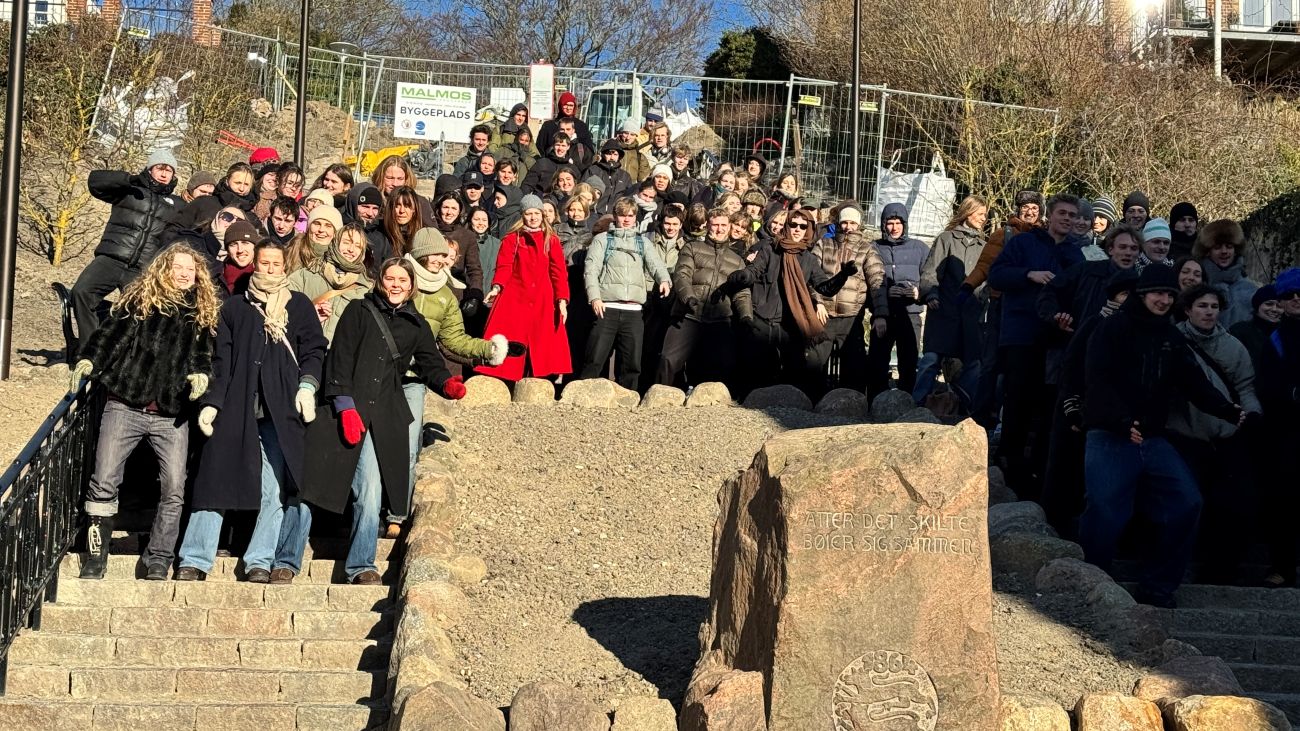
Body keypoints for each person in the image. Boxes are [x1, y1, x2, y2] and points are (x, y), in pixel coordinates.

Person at [1077, 265, 1245, 607]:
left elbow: (1194, 383)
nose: (1164, 300)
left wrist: (1230, 411)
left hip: (1152, 438)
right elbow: (1097, 380)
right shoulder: (1112, 328)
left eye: (1170, 295)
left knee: (1186, 502)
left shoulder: (1170, 336)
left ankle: (1158, 587)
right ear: (1142, 293)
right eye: (1158, 293)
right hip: (1110, 434)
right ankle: (1090, 583)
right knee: (1107, 510)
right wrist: (1121, 421)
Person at [298, 258, 467, 584]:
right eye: (390, 278)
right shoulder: (359, 311)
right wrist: (345, 406)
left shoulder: (416, 323)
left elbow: (431, 362)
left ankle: (360, 564)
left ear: (411, 285)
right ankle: (288, 557)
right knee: (313, 484)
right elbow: (340, 358)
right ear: (381, 281)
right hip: (343, 409)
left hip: (381, 415)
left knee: (371, 490)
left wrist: (447, 384)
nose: (395, 284)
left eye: (402, 279)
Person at [176, 242, 328, 584]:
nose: (271, 268)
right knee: (214, 479)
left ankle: (260, 558)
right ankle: (195, 557)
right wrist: (212, 402)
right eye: (265, 262)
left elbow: (314, 350)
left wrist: (307, 385)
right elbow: (222, 360)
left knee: (272, 488)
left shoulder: (299, 306)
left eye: (276, 263)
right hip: (237, 406)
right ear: (255, 266)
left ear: (283, 266)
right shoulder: (234, 308)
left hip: (281, 411)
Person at [67, 244, 218, 580]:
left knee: (174, 487)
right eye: (177, 267)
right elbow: (110, 337)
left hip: (171, 413)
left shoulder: (201, 313)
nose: (183, 274)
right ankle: (96, 556)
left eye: (189, 269)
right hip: (126, 404)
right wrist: (90, 360)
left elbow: (202, 355)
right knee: (104, 479)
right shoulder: (140, 302)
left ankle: (159, 557)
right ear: (164, 268)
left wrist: (201, 375)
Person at [988, 193, 1084, 499]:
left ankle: (1036, 470)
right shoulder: (1022, 243)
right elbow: (996, 275)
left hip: (1056, 337)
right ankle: (1007, 464)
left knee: (1047, 403)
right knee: (1017, 399)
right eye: (1063, 213)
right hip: (1021, 332)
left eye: (1073, 215)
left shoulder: (1076, 255)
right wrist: (1028, 274)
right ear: (1049, 215)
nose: (1068, 219)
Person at [1166, 284, 1261, 585]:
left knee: (1231, 504)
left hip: (1226, 435)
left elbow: (1246, 386)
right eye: (1202, 306)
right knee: (1186, 501)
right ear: (1188, 309)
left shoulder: (1232, 346)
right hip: (1183, 434)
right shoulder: (1172, 341)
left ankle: (1220, 569)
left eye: (1213, 307)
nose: (1208, 312)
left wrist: (1252, 416)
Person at [1043, 268, 1139, 538]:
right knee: (1068, 474)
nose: (1129, 299)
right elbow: (1072, 367)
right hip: (1080, 410)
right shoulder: (1095, 323)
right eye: (1124, 294)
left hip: (1116, 416)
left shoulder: (1138, 328)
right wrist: (1073, 408)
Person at [726, 207, 856, 393]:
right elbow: (753, 272)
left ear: (808, 230)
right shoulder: (770, 250)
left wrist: (843, 275)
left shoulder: (809, 259)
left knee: (793, 375)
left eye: (803, 226)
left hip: (790, 325)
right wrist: (741, 275)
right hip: (763, 319)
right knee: (755, 375)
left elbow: (825, 288)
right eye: (793, 224)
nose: (797, 229)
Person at [70, 149, 183, 354]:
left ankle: (122, 357)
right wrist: (129, 179)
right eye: (160, 168)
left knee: (142, 311)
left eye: (169, 170)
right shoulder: (129, 190)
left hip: (142, 269)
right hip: (111, 258)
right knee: (82, 292)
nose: (165, 174)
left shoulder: (176, 205)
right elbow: (95, 182)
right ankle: (89, 351)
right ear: (150, 169)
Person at [964, 189, 1043, 426]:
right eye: (1025, 207)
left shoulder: (1044, 237)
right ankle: (979, 416)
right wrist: (968, 286)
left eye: (1034, 208)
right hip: (1000, 303)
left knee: (1018, 367)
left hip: (1030, 308)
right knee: (990, 363)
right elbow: (985, 264)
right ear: (1018, 210)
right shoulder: (1003, 234)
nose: (1029, 212)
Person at [579, 198, 672, 389]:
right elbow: (591, 271)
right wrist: (595, 297)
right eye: (622, 215)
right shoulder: (602, 240)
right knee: (595, 358)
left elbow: (656, 265)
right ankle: (583, 396)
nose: (627, 219)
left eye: (630, 215)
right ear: (615, 216)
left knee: (631, 363)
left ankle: (627, 400)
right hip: (607, 307)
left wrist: (664, 279)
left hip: (634, 310)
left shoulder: (643, 242)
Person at [477, 195, 571, 382]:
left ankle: (538, 379)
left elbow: (558, 271)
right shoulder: (513, 238)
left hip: (542, 298)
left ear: (542, 215)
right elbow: (504, 265)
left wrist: (562, 299)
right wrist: (497, 287)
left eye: (537, 213)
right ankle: (505, 377)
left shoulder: (550, 240)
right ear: (523, 215)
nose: (533, 217)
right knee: (512, 336)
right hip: (515, 296)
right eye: (529, 213)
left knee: (541, 340)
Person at [656, 208, 753, 388]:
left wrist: (746, 315)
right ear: (708, 225)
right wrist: (688, 297)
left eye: (723, 225)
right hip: (688, 314)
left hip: (719, 319)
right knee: (668, 359)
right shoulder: (692, 247)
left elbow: (742, 292)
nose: (719, 229)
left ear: (729, 226)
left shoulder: (737, 260)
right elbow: (681, 275)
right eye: (715, 225)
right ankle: (661, 399)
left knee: (721, 367)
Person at [914, 196, 988, 407]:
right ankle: (917, 405)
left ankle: (967, 407)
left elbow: (985, 281)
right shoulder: (946, 239)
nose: (984, 218)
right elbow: (931, 272)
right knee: (931, 360)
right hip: (944, 310)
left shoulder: (984, 245)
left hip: (971, 313)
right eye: (981, 214)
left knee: (973, 363)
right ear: (968, 212)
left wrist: (982, 303)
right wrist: (930, 295)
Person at [808, 205, 887, 397]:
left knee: (854, 366)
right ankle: (811, 403)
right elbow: (810, 276)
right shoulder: (823, 245)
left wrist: (880, 313)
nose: (848, 226)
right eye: (844, 222)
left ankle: (852, 406)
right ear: (838, 223)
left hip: (851, 316)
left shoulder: (867, 250)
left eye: (852, 222)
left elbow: (877, 281)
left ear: (859, 225)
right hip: (823, 313)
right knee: (815, 363)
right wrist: (817, 301)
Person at [1255, 268, 1300, 587]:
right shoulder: (1273, 339)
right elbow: (1267, 385)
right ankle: (1282, 567)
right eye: (1288, 295)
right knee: (1283, 500)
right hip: (1285, 430)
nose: (1296, 300)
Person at [865, 203, 929, 400]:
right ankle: (875, 403)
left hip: (911, 313)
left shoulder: (919, 248)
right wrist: (880, 303)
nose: (894, 227)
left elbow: (929, 278)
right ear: (884, 225)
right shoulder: (874, 248)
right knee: (878, 361)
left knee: (908, 363)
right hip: (883, 314)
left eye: (898, 223)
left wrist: (919, 292)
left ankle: (907, 404)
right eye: (890, 223)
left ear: (905, 224)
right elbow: (867, 282)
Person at [288, 223, 372, 341]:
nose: (351, 249)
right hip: (305, 347)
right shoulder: (308, 274)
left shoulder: (365, 288)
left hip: (339, 355)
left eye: (358, 246)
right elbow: (285, 308)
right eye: (346, 242)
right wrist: (309, 314)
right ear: (335, 242)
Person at [641, 208, 687, 390]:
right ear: (661, 222)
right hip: (649, 298)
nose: (671, 228)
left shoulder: (686, 245)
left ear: (681, 225)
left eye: (675, 224)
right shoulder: (647, 240)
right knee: (647, 347)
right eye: (667, 223)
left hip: (673, 302)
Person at [1195, 219, 1260, 331]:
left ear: (1236, 250)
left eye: (1229, 246)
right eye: (1217, 247)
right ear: (1208, 251)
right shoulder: (1197, 286)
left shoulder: (1252, 289)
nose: (1224, 251)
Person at [1228, 284, 1282, 367]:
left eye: (1279, 306)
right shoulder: (1239, 331)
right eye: (1269, 304)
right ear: (1257, 306)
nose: (1274, 309)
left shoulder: (1287, 334)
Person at [285, 204, 342, 274]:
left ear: (336, 232)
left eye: (328, 226)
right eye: (317, 224)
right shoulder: (294, 248)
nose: (321, 230)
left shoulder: (343, 254)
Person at [212, 221, 259, 299]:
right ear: (227, 250)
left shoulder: (263, 274)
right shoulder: (215, 274)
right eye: (233, 244)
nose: (240, 250)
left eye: (245, 243)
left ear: (255, 246)